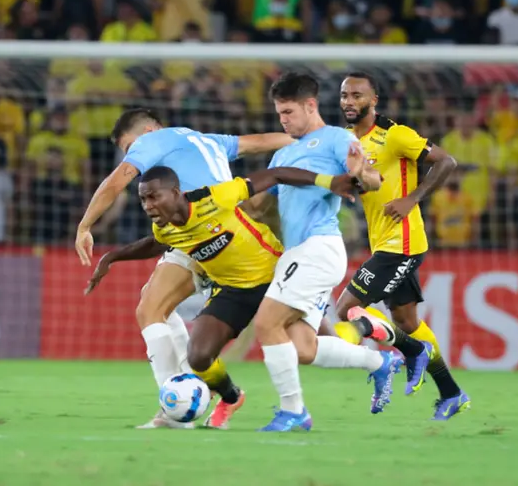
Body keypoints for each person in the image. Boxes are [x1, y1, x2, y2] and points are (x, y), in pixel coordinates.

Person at [86, 163, 402, 429]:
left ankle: (365, 329)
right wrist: (112, 257)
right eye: (143, 200)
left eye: (154, 197)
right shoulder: (165, 227)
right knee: (198, 357)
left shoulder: (216, 198)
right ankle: (231, 396)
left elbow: (275, 175)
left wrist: (328, 182)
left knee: (312, 350)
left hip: (275, 281)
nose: (148, 206)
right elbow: (155, 244)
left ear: (176, 192)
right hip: (232, 291)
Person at [74, 109, 294, 428]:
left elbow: (117, 179)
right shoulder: (204, 139)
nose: (133, 158)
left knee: (151, 310)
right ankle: (188, 394)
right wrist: (311, 138)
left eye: (130, 147)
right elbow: (259, 142)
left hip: (201, 233)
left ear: (148, 131)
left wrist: (85, 225)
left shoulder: (154, 140)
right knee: (152, 305)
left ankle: (176, 408)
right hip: (226, 233)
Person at [247, 73, 382, 432]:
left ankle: (294, 412)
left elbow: (369, 178)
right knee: (304, 348)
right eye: (279, 114)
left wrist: (358, 175)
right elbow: (260, 207)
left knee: (266, 323)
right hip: (297, 254)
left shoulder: (337, 138)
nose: (283, 120)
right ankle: (378, 363)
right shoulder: (283, 153)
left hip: (318, 248)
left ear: (310, 105)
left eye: (289, 112)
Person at [333, 72, 471, 421]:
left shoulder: (395, 135)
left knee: (346, 308)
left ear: (373, 100)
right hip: (383, 240)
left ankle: (409, 353)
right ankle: (452, 393)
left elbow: (447, 161)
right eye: (345, 95)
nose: (349, 101)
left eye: (357, 95)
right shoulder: (347, 141)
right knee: (406, 319)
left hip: (403, 243)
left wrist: (413, 198)